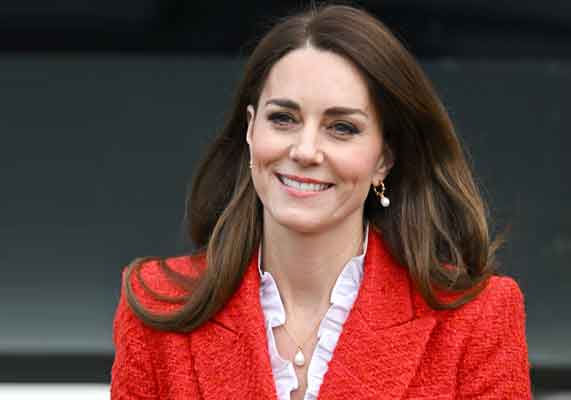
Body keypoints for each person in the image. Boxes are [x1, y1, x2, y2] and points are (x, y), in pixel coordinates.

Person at [110, 4, 531, 400]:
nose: (305, 150)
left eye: (342, 127)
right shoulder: (157, 304)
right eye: (283, 119)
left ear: (384, 158)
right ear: (251, 130)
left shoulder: (477, 317)